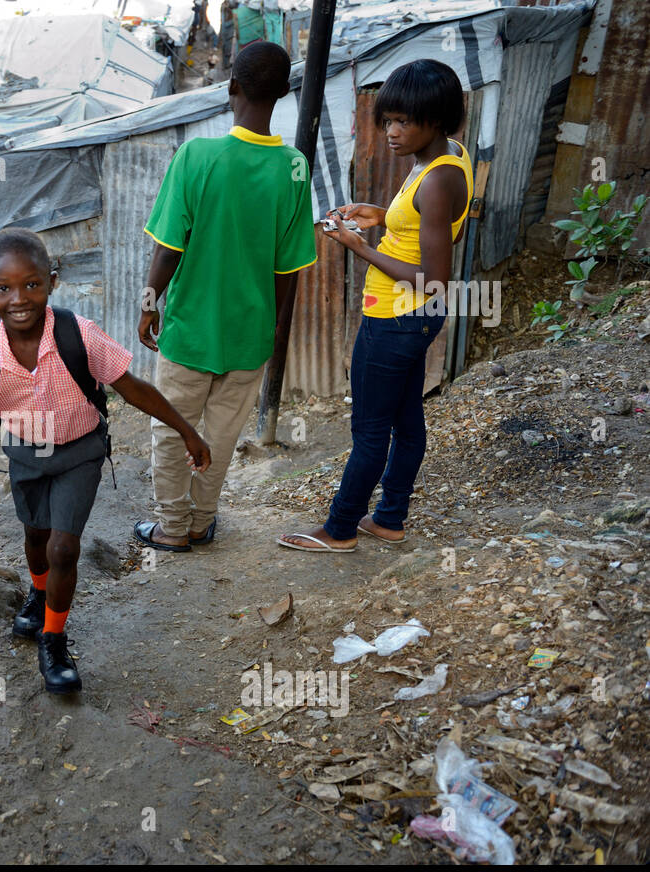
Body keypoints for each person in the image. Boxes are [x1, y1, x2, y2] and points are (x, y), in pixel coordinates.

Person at [0, 228, 212, 694]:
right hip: (26, 454)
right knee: (36, 536)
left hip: (79, 453)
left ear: (52, 281)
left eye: (32, 284)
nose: (19, 299)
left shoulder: (77, 333)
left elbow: (132, 387)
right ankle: (36, 589)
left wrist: (186, 429)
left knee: (63, 547)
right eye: (3, 288)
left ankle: (54, 638)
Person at [278, 59, 471, 553]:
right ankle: (388, 519)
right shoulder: (448, 159)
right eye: (387, 120)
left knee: (369, 431)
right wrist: (383, 216)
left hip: (396, 318)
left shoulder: (435, 178)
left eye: (404, 121)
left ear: (438, 118)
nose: (391, 131)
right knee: (406, 423)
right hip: (414, 320)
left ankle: (340, 529)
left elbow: (434, 279)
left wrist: (359, 245)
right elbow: (438, 227)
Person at [134, 40, 317, 554]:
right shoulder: (294, 168)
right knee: (221, 433)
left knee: (173, 431)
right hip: (250, 336)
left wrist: (150, 302)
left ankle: (172, 527)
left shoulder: (197, 155)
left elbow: (169, 247)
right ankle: (201, 522)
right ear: (283, 93)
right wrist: (272, 327)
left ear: (231, 86)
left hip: (191, 331)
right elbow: (288, 267)